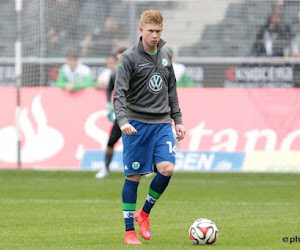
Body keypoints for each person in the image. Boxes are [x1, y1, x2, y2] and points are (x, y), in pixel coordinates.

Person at [113, 10, 186, 245]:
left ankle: (143, 213)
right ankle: (128, 232)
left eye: (158, 31)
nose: (155, 36)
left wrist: (179, 120)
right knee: (133, 176)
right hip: (135, 124)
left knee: (167, 168)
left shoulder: (165, 56)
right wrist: (123, 121)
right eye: (151, 31)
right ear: (141, 30)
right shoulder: (129, 58)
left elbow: (171, 90)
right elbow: (119, 94)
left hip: (162, 123)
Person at [95, 47, 127, 179]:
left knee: (141, 142)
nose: (120, 61)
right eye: (118, 58)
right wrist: (109, 104)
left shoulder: (138, 73)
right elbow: (109, 89)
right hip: (122, 116)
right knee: (111, 141)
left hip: (138, 115)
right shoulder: (115, 74)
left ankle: (146, 167)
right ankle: (106, 168)